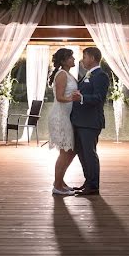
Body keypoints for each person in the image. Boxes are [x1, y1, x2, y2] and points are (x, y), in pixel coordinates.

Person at [70, 47, 109, 196]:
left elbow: (99, 98)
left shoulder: (101, 76)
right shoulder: (88, 75)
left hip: (91, 122)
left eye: (84, 56)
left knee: (90, 154)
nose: (82, 60)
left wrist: (82, 98)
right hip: (80, 122)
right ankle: (88, 182)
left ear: (92, 58)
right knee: (82, 154)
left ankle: (93, 186)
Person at [46, 48, 79, 196]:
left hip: (66, 116)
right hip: (60, 116)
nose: (73, 59)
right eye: (70, 57)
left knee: (70, 151)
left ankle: (60, 181)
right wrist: (75, 98)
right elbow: (59, 97)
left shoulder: (67, 74)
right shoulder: (61, 75)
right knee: (65, 152)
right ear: (63, 61)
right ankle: (57, 187)